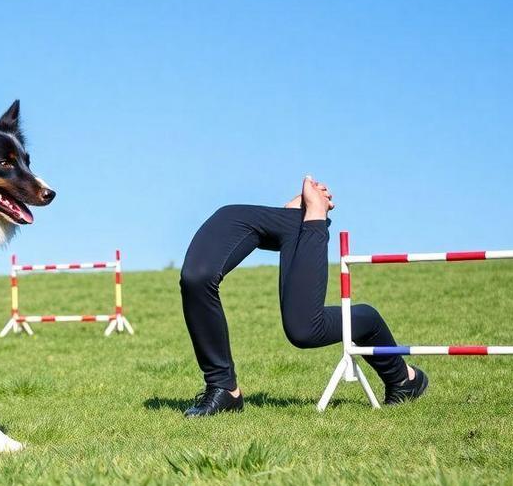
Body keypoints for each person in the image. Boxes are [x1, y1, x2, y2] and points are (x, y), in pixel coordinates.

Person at [178, 175, 429, 417]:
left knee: (304, 330)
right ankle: (224, 390)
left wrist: (313, 215)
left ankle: (399, 372)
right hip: (231, 218)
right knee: (195, 278)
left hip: (275, 220)